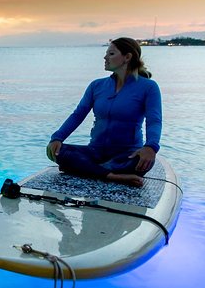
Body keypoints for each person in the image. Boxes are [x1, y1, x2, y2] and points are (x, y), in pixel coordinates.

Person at [46, 37, 162, 187]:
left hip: (127, 155)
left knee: (142, 163)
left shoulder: (148, 87)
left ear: (127, 57)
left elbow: (154, 120)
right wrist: (57, 138)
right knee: (57, 152)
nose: (105, 57)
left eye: (111, 53)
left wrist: (150, 147)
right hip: (95, 152)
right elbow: (78, 114)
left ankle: (87, 170)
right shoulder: (96, 86)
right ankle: (112, 175)